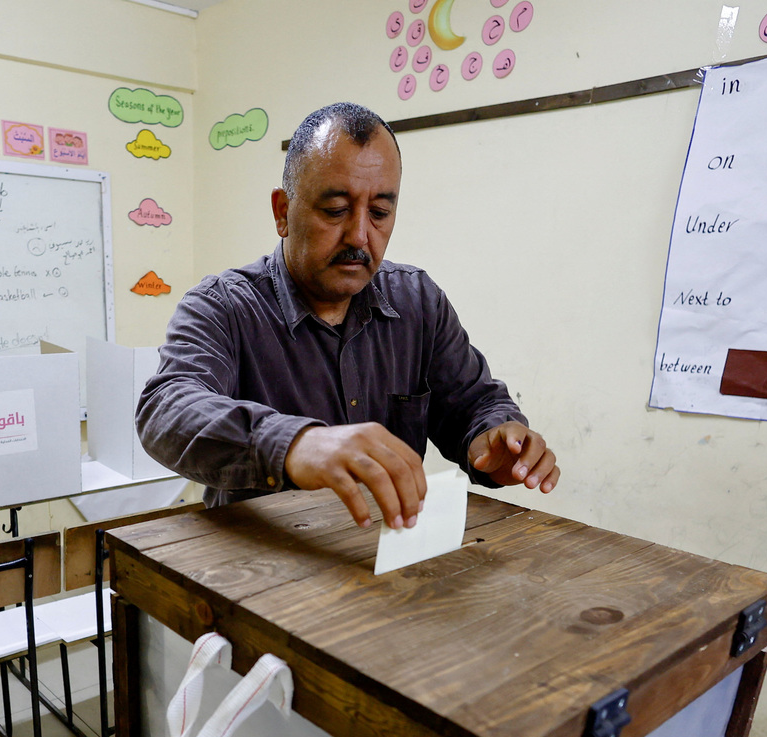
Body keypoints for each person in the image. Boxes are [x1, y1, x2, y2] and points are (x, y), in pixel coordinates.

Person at [135, 101, 558, 531]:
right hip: (264, 575)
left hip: (386, 560)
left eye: (379, 213)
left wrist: (497, 439)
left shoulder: (418, 302)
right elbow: (166, 410)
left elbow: (475, 403)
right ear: (283, 212)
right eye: (335, 210)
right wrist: (297, 444)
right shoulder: (223, 307)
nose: (359, 235)